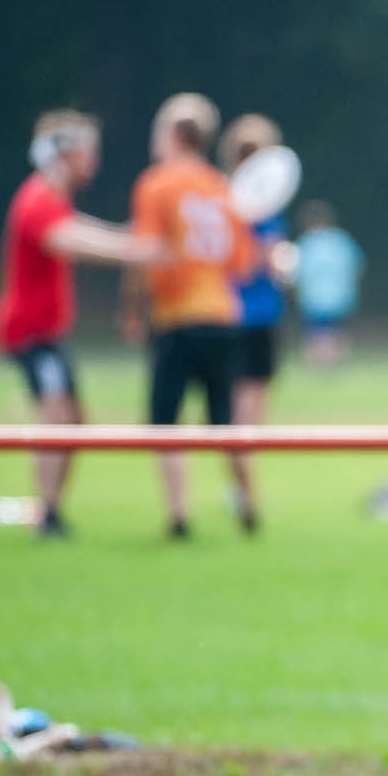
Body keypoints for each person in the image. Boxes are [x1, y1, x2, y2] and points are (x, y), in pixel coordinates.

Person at [0, 109, 159, 538]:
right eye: (89, 150)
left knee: (72, 418)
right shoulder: (37, 199)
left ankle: (48, 509)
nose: (94, 160)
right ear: (66, 153)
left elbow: (76, 227)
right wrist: (136, 249)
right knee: (58, 417)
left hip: (48, 333)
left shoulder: (51, 199)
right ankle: (46, 515)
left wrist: (129, 241)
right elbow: (70, 240)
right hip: (31, 333)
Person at [123, 92, 258, 540]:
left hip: (178, 318)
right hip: (223, 314)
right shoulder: (222, 189)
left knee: (165, 421)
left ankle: (179, 516)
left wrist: (132, 309)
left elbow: (146, 252)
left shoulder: (156, 184)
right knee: (225, 421)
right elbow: (242, 263)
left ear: (175, 135)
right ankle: (249, 504)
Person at [219, 114, 290, 437]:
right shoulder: (265, 207)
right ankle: (242, 481)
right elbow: (271, 257)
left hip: (223, 310)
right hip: (259, 313)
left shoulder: (218, 199)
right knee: (252, 404)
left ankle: (237, 478)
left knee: (232, 399)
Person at [293, 200, 362, 369]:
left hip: (312, 297)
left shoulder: (305, 243)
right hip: (340, 296)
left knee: (314, 333)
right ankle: (334, 364)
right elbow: (356, 267)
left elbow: (295, 272)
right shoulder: (342, 241)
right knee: (337, 332)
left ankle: (317, 366)